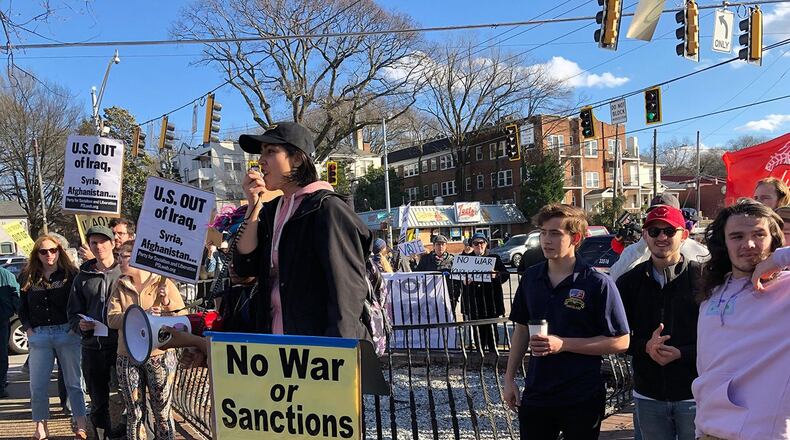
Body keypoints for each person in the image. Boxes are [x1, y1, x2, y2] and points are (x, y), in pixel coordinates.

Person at [235, 122, 373, 338]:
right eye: (261, 152)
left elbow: (347, 292)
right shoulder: (271, 212)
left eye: (271, 151)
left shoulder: (327, 209)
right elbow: (245, 267)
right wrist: (253, 206)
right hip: (277, 348)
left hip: (316, 353)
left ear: (298, 159)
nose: (261, 160)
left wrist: (336, 355)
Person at [504, 204, 630, 440]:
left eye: (555, 233)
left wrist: (563, 344)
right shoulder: (531, 277)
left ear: (576, 238)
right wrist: (509, 379)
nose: (546, 240)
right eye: (543, 232)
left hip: (581, 394)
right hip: (537, 392)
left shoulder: (597, 283)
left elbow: (621, 341)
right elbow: (521, 329)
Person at [693, 199, 790, 439]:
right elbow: (706, 367)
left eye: (759, 234)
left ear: (774, 238)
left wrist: (778, 259)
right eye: (736, 236)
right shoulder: (712, 294)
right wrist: (699, 426)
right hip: (709, 431)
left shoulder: (786, 287)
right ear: (723, 243)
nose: (749, 244)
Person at [616, 205, 700, 440]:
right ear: (645, 236)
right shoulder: (630, 282)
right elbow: (615, 337)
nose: (661, 237)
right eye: (654, 231)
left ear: (683, 234)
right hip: (649, 393)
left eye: (669, 231)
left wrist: (682, 353)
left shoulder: (702, 279)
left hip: (693, 393)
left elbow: (719, 338)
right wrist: (645, 347)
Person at [106, 240, 186, 440]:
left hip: (158, 354)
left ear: (136, 258)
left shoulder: (163, 283)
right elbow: (111, 318)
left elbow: (181, 317)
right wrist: (138, 315)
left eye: (122, 257)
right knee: (135, 413)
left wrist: (167, 302)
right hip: (128, 355)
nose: (118, 262)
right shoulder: (120, 285)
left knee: (162, 412)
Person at [19, 235, 87, 439]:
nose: (49, 254)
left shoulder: (71, 274)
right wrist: (29, 329)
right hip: (39, 335)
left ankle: (81, 425)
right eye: (44, 251)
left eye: (53, 250)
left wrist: (75, 328)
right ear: (37, 254)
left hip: (67, 333)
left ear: (60, 251)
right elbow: (22, 307)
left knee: (74, 383)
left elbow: (81, 302)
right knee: (38, 385)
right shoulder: (28, 276)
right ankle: (41, 427)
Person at [67, 226, 124, 440]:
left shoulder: (125, 272)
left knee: (129, 396)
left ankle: (129, 432)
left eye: (103, 241)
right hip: (93, 347)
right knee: (98, 400)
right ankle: (102, 435)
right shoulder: (82, 277)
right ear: (89, 246)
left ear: (112, 243)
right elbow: (73, 313)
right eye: (94, 243)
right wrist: (80, 326)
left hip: (122, 346)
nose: (98, 246)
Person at [609, 193, 709, 281]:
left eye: (669, 231)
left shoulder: (699, 251)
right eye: (655, 212)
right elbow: (615, 278)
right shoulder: (636, 250)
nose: (662, 237)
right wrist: (642, 245)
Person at [461, 233, 508, 352]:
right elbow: (457, 278)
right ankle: (480, 352)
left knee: (492, 327)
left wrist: (496, 274)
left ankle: (494, 352)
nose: (479, 246)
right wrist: (464, 282)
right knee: (477, 329)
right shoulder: (466, 259)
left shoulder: (494, 258)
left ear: (486, 244)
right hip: (474, 301)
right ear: (472, 245)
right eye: (476, 243)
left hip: (491, 300)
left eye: (481, 243)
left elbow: (505, 275)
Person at [0, 264, 20, 400]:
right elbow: (16, 297)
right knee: (1, 355)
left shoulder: (6, 275)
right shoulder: (7, 275)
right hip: (2, 319)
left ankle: (1, 386)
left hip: (2, 320)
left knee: (1, 355)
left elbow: (16, 297)